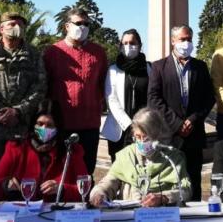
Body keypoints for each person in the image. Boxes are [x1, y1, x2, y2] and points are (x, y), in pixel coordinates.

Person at [0, 11, 47, 209]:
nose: (17, 27)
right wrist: (1, 112)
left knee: (22, 184)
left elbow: (40, 88)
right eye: (12, 23)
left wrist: (18, 111)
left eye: (22, 25)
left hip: (21, 130)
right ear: (1, 28)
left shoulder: (33, 55)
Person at [147, 24, 215, 200]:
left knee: (194, 182)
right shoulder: (159, 67)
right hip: (170, 136)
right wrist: (177, 124)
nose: (186, 43)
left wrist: (194, 119)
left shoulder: (200, 66)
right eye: (182, 39)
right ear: (173, 41)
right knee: (170, 182)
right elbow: (154, 99)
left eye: (189, 39)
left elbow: (209, 98)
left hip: (194, 134)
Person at [43, 8, 108, 176]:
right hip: (61, 124)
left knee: (86, 173)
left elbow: (103, 83)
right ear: (67, 26)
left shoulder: (99, 53)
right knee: (58, 173)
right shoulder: (52, 52)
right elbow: (44, 86)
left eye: (87, 24)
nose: (83, 27)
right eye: (78, 23)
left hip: (90, 125)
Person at [0, 103, 89, 204]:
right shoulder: (16, 147)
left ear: (58, 127)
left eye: (50, 125)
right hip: (24, 212)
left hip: (57, 213)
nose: (44, 128)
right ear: (33, 125)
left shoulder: (71, 150)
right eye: (40, 124)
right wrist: (6, 186)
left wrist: (62, 190)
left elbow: (85, 191)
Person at [89, 107, 191, 206]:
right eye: (138, 137)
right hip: (129, 217)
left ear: (158, 135)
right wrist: (99, 193)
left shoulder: (173, 158)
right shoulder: (126, 155)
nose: (142, 142)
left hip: (161, 218)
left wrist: (163, 198)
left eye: (146, 137)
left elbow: (186, 191)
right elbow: (109, 182)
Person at [102, 29, 151, 162]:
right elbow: (111, 99)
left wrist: (142, 125)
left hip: (144, 129)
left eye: (132, 43)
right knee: (120, 172)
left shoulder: (149, 68)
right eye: (125, 43)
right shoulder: (113, 70)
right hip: (120, 129)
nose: (128, 46)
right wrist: (129, 125)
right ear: (120, 46)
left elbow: (153, 97)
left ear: (140, 45)